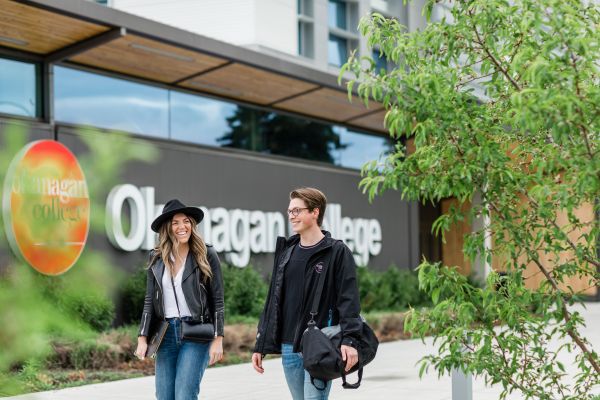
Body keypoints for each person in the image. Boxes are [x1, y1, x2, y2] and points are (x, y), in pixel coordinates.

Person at [251, 187, 362, 399]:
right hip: (288, 346)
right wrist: (260, 343)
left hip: (320, 344)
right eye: (290, 211)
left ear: (315, 212)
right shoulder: (287, 252)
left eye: (297, 211)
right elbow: (273, 300)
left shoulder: (336, 251)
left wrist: (350, 340)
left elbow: (349, 300)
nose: (292, 216)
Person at [134, 199, 224, 400]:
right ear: (167, 227)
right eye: (175, 222)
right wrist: (142, 337)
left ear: (192, 224)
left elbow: (217, 300)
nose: (182, 227)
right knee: (164, 396)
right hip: (165, 333)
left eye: (186, 221)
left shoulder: (206, 254)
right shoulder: (156, 257)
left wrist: (218, 339)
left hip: (196, 331)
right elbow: (149, 300)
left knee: (185, 395)